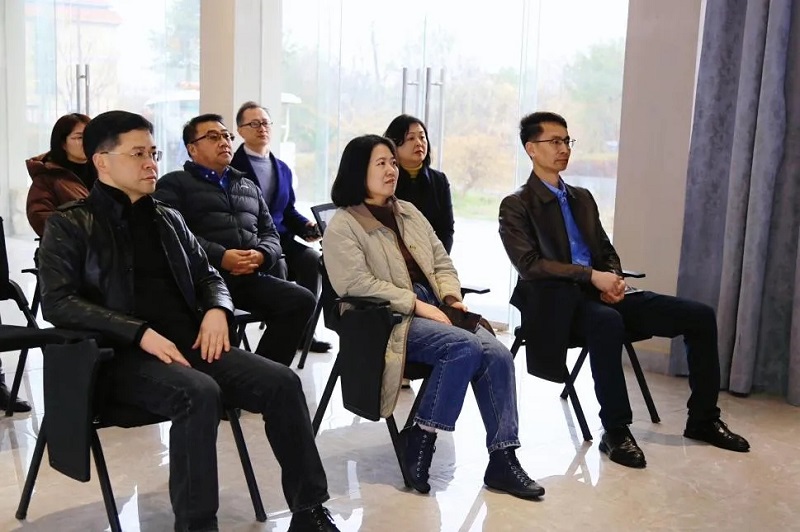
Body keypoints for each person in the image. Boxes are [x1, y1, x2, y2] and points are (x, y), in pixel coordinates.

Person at [37, 110, 338, 532]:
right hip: (118, 358)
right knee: (198, 393)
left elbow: (208, 276)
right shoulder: (70, 223)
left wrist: (217, 309)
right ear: (102, 161)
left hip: (189, 345)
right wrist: (138, 332)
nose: (150, 163)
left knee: (283, 383)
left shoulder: (168, 218)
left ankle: (309, 511)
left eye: (153, 153)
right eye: (138, 154)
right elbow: (58, 302)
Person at [498, 111, 750, 469]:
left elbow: (605, 249)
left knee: (699, 316)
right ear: (531, 149)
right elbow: (530, 265)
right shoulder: (517, 204)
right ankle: (615, 431)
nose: (564, 148)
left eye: (567, 141)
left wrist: (614, 279)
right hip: (557, 304)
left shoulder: (582, 198)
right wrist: (592, 277)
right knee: (606, 322)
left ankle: (704, 419)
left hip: (601, 294)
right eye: (554, 142)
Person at [324, 134, 544, 500]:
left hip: (434, 306)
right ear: (357, 171)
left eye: (393, 163)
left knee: (498, 354)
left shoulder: (409, 212)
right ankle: (421, 436)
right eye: (381, 163)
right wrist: (417, 304)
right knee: (464, 347)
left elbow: (442, 262)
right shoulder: (344, 225)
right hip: (385, 319)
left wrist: (451, 298)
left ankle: (503, 459)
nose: (391, 170)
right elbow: (355, 283)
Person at [154, 114, 316, 367]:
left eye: (226, 136)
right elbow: (172, 235)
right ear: (192, 149)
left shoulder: (247, 185)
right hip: (202, 282)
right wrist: (221, 257)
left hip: (247, 277)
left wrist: (262, 255)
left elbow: (270, 233)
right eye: (213, 137)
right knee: (223, 333)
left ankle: (266, 372)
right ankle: (243, 379)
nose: (224, 142)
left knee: (301, 300)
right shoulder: (174, 184)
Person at [230, 101, 331, 353]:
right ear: (241, 130)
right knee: (278, 264)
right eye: (254, 123)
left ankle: (305, 332)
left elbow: (287, 211)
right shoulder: (232, 168)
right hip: (252, 242)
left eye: (265, 123)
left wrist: (307, 226)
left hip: (282, 239)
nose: (261, 128)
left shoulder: (282, 168)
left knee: (311, 259)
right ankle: (283, 329)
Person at [383, 114, 454, 253]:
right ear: (394, 144)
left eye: (422, 137)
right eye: (411, 138)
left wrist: (439, 260)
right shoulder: (385, 178)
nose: (419, 143)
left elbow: (446, 229)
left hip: (432, 257)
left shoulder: (439, 180)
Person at [26, 113, 94, 237]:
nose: (86, 142)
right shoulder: (47, 176)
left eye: (90, 136)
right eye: (79, 137)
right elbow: (39, 217)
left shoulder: (104, 169)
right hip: (73, 247)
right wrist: (82, 229)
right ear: (63, 143)